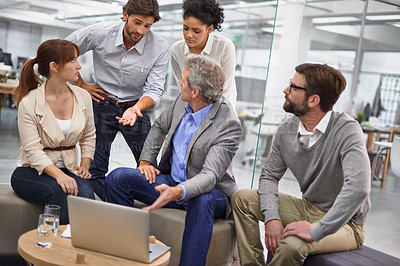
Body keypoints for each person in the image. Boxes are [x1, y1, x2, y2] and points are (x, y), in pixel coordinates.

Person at [106, 54, 242, 266]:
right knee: (117, 178)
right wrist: (146, 162)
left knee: (201, 198)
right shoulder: (182, 100)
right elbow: (160, 127)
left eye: (183, 80)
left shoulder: (228, 123)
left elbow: (210, 176)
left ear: (195, 91)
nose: (179, 82)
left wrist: (178, 191)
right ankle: (130, 254)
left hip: (210, 192)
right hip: (171, 182)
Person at [232, 63, 371, 266]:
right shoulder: (286, 129)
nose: (285, 90)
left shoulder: (347, 130)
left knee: (292, 244)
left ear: (314, 100)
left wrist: (316, 230)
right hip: (307, 207)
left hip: (348, 224)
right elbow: (269, 176)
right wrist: (272, 217)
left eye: (294, 87)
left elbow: (359, 188)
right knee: (242, 199)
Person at [65, 0, 169, 201]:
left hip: (135, 110)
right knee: (95, 170)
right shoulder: (100, 33)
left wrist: (137, 108)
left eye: (147, 26)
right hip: (101, 106)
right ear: (125, 14)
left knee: (149, 167)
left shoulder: (160, 47)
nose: (141, 30)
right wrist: (81, 84)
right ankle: (117, 206)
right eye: (137, 22)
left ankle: (135, 206)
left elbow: (155, 90)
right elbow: (63, 50)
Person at [10, 39, 96, 225]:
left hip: (69, 167)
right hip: (31, 170)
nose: (78, 66)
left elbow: (89, 135)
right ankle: (57, 248)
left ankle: (82, 247)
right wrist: (60, 175)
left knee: (87, 193)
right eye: (72, 61)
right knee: (59, 192)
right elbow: (32, 151)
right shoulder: (29, 102)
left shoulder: (83, 97)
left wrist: (85, 164)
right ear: (54, 66)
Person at [171, 0, 237, 107]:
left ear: (209, 29)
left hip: (221, 110)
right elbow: (182, 89)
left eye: (196, 31)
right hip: (191, 110)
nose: (189, 35)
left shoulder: (224, 47)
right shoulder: (176, 50)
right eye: (185, 28)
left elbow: (226, 91)